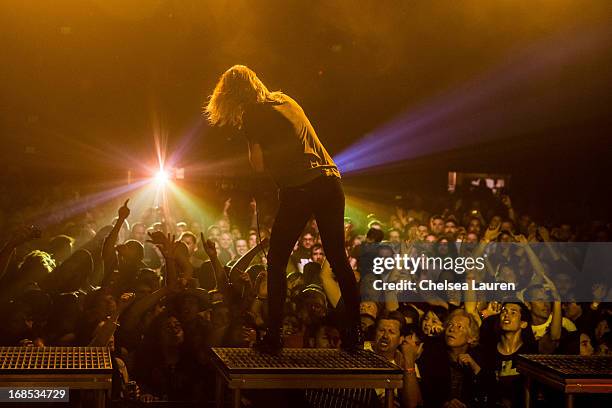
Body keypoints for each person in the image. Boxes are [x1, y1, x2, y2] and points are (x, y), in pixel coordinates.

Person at [205, 65, 361, 352]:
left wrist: (249, 137)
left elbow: (258, 163)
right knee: (338, 258)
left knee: (276, 261)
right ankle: (355, 334)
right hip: (330, 182)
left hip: (301, 188)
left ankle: (274, 337)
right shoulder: (284, 99)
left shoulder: (252, 114)